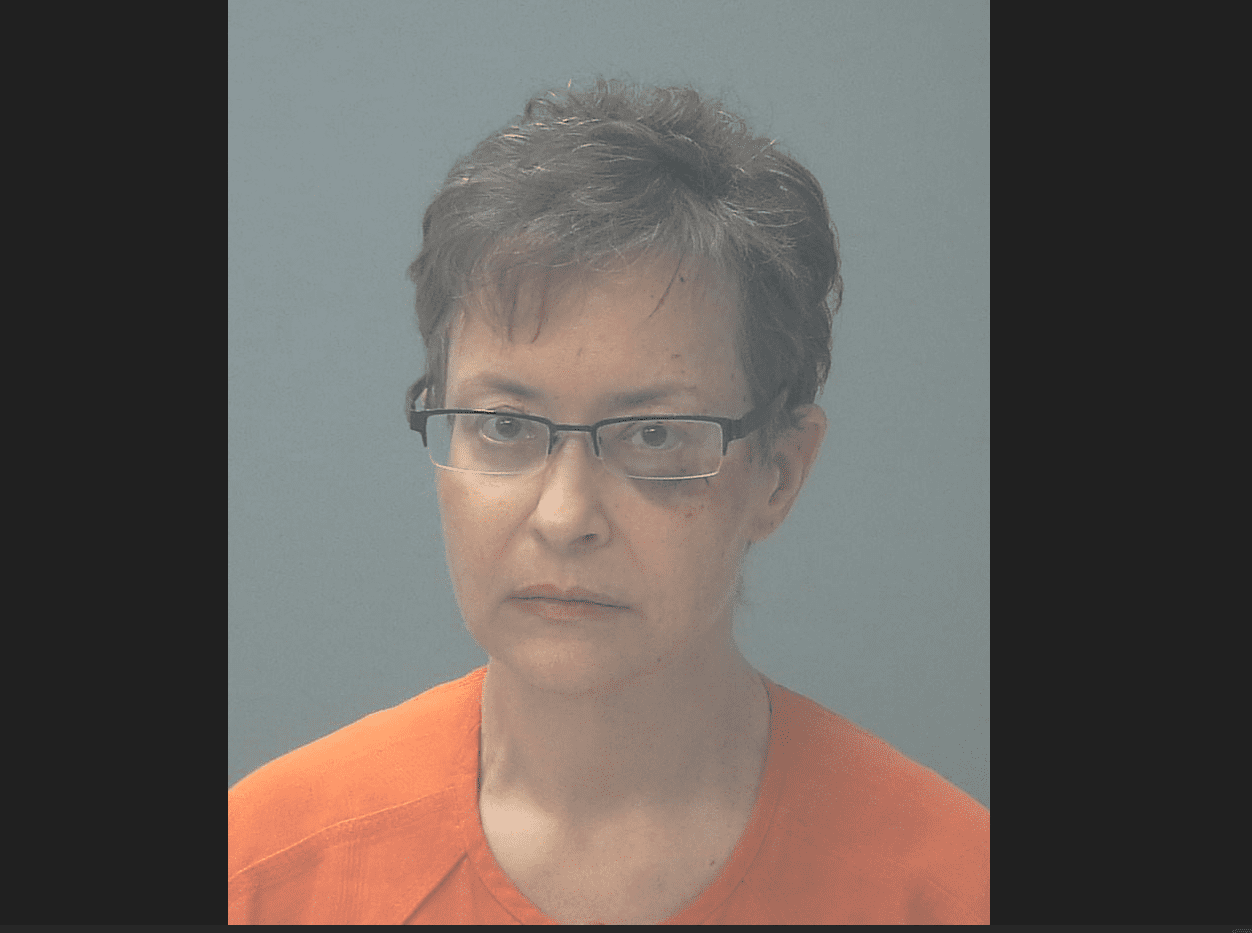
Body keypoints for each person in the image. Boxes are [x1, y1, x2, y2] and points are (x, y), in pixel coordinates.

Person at [228, 79, 989, 925]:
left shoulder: (953, 890)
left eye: (654, 436)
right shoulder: (262, 872)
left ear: (777, 472)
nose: (564, 517)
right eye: (504, 424)